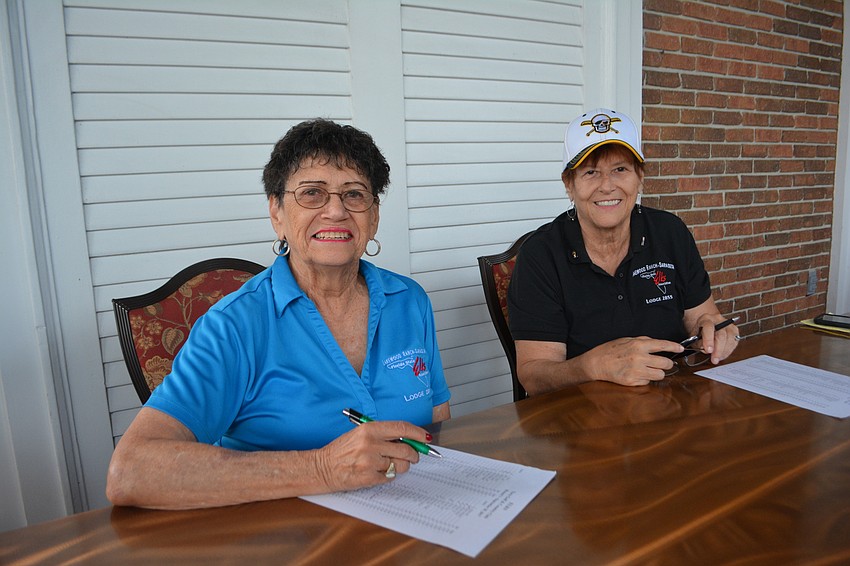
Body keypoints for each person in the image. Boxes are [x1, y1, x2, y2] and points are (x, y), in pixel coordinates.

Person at [107, 119, 451, 509]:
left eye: (355, 194)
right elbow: (131, 471)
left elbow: (435, 414)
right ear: (277, 213)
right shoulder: (234, 326)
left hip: (415, 518)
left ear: (373, 217)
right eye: (312, 194)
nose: (336, 210)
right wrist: (322, 468)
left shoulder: (410, 299)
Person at [507, 108, 739, 394]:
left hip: (672, 402)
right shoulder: (540, 255)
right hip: (582, 418)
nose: (607, 186)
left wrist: (712, 329)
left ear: (639, 177)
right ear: (569, 184)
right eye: (591, 172)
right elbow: (533, 375)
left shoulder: (670, 232)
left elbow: (703, 318)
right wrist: (593, 366)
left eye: (620, 169)